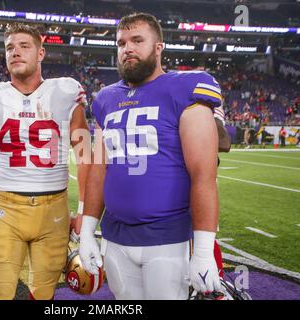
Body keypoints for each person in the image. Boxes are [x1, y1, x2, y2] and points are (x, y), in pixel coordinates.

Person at [78, 13, 221, 300]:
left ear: (158, 47)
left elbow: (203, 176)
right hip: (115, 236)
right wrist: (87, 231)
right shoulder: (105, 98)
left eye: (137, 40)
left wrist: (204, 251)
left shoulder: (186, 88)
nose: (127, 48)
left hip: (168, 238)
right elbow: (98, 169)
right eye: (121, 43)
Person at [0, 23, 91, 300]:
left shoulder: (65, 91)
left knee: (44, 293)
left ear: (41, 53)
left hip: (54, 211)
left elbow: (86, 154)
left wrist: (84, 209)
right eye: (10, 48)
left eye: (24, 46)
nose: (15, 52)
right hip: (6, 208)